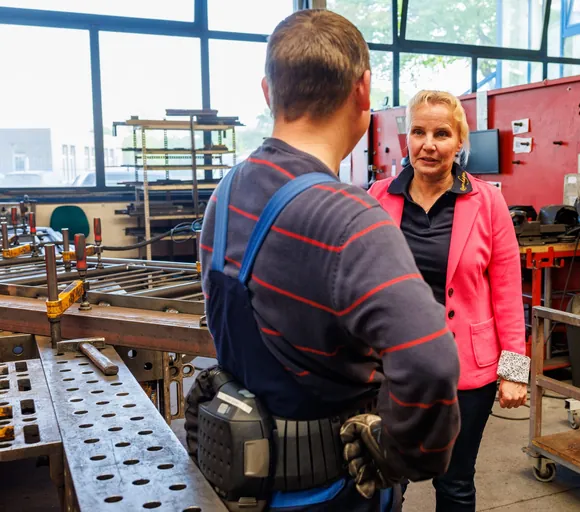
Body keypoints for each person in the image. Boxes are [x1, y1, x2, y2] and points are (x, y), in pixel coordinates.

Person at [190, 10, 462, 512]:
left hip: (243, 485)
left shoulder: (227, 193)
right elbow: (429, 360)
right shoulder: (353, 217)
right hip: (333, 493)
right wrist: (405, 456)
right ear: (364, 91)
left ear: (268, 92)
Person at [368, 90, 529, 511]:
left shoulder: (487, 201)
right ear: (407, 138)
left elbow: (509, 291)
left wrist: (515, 372)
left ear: (460, 142)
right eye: (418, 131)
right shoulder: (378, 197)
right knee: (387, 477)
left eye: (442, 133)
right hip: (392, 367)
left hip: (466, 370)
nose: (428, 144)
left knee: (455, 481)